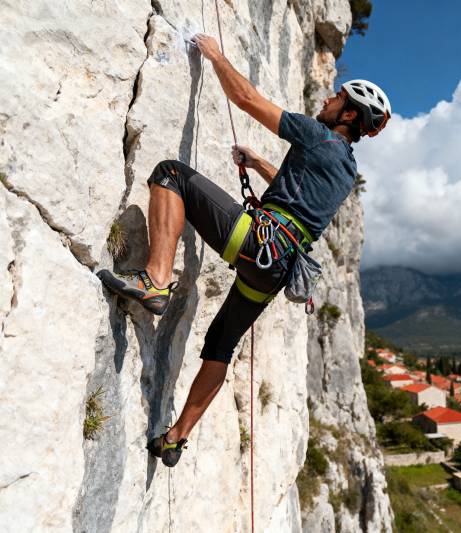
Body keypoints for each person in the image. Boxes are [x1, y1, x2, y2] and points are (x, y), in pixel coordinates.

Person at [96, 33, 391, 467]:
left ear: (349, 114)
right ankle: (175, 439)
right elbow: (300, 198)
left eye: (337, 97)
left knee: (171, 174)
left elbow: (247, 98)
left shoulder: (316, 135)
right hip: (276, 270)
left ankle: (156, 280)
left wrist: (216, 55)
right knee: (221, 345)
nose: (328, 98)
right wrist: (260, 165)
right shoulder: (346, 169)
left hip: (256, 241)